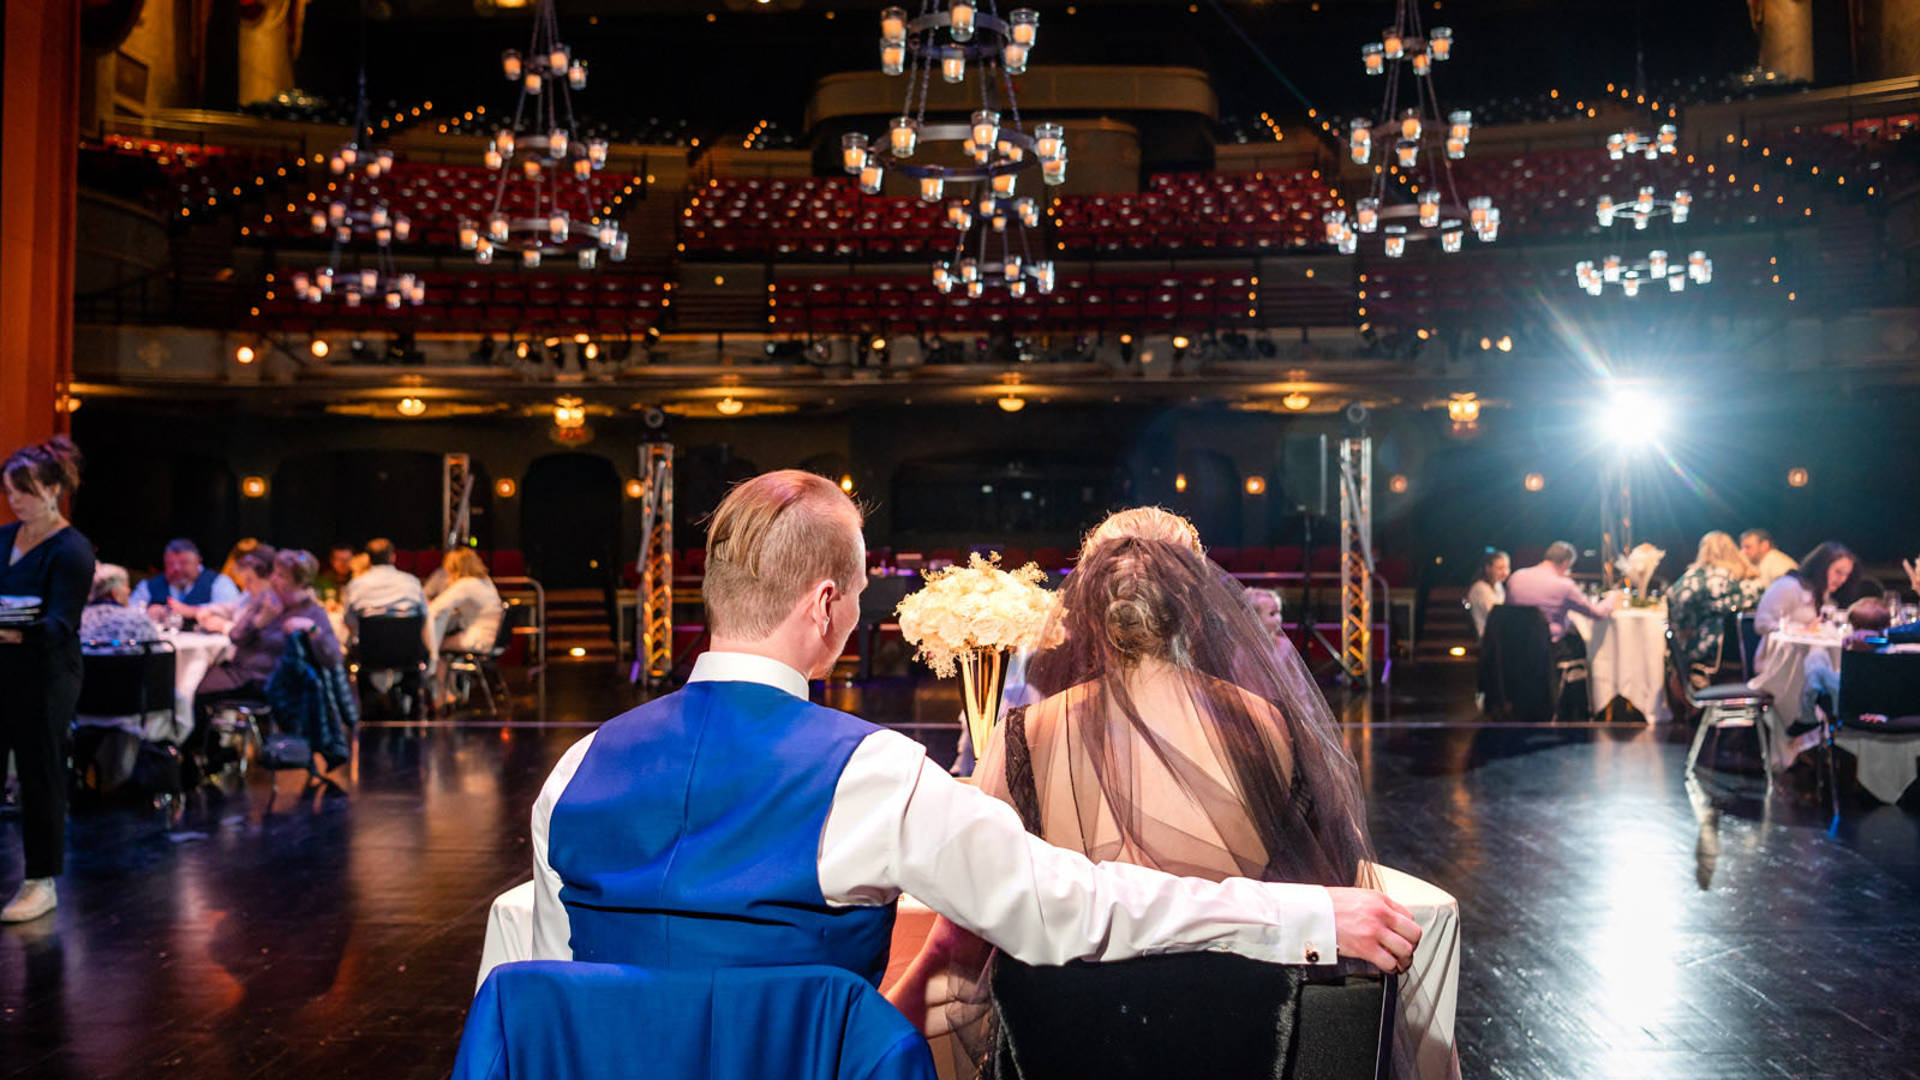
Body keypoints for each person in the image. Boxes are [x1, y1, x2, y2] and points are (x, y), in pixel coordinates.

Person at [527, 471, 1419, 1034]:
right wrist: (1300, 917)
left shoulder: (570, 773)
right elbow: (1071, 905)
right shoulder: (871, 774)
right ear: (827, 605)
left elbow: (548, 998)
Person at [892, 509, 1460, 1080]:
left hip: (1064, 1032)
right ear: (1196, 603)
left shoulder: (1027, 733)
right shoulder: (1266, 725)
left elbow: (975, 916)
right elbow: (1314, 883)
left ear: (1088, 605)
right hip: (1237, 1028)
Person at [0, 436, 95, 923]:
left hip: (46, 676)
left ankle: (41, 880)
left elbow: (60, 625)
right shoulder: (2, 538)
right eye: (10, 490)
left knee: (40, 774)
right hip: (5, 668)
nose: (14, 499)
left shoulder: (72, 549)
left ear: (55, 489)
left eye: (25, 490)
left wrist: (8, 632)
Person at [191, 549, 343, 748]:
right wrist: (260, 622)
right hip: (241, 675)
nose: (272, 578)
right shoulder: (266, 600)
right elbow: (236, 636)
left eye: (281, 575)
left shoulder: (312, 613)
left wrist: (311, 629)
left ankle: (208, 755)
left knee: (195, 691)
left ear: (299, 583)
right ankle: (211, 752)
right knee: (190, 686)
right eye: (275, 572)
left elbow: (333, 658)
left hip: (274, 684)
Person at [1666, 531, 1763, 679]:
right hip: (1748, 653)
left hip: (1705, 651)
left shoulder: (1695, 578)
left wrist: (1685, 626)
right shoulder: (1750, 579)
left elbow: (1675, 601)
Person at [1503, 541, 1618, 661]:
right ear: (1566, 563)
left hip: (1513, 646)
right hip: (1547, 650)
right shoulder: (1564, 586)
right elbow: (1597, 614)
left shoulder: (1516, 577)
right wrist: (1612, 598)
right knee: (1584, 646)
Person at [428, 548, 505, 703]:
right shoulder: (485, 581)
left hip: (478, 639)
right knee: (446, 641)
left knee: (436, 648)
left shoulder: (465, 584)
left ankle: (440, 695)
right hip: (495, 638)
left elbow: (436, 607)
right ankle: (451, 691)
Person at [1754, 541, 1856, 636]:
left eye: (1847, 575)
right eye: (1838, 572)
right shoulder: (1789, 585)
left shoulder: (1825, 594)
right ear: (1821, 567)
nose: (1842, 580)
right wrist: (1803, 630)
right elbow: (1762, 624)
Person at [130, 538, 240, 626]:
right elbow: (131, 613)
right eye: (170, 563)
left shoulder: (220, 582)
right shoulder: (149, 585)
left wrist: (193, 611)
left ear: (198, 562)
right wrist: (147, 613)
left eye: (183, 563)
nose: (176, 569)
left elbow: (235, 611)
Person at [342, 538, 428, 639]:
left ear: (369, 559)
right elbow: (424, 616)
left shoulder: (356, 585)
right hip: (409, 649)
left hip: (369, 649)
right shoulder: (412, 581)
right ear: (393, 557)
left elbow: (349, 620)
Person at [198, 544, 276, 635]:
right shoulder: (248, 595)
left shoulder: (272, 604)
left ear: (268, 578)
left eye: (249, 580)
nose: (245, 585)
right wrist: (208, 610)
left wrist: (224, 626)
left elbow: (251, 636)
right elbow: (231, 607)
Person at [78, 563, 160, 646]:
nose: (129, 591)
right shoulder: (136, 621)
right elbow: (159, 652)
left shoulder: (78, 619)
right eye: (125, 586)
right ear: (113, 592)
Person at [1466, 549, 1510, 640]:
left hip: (1496, 636)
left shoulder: (1498, 585)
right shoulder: (1480, 588)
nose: (1505, 572)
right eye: (1500, 568)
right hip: (1486, 639)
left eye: (1507, 567)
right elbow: (1495, 616)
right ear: (1488, 568)